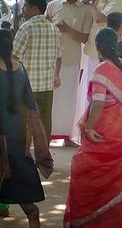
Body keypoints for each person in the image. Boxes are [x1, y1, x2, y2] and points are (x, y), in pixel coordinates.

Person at [64, 28, 122, 227]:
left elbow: (97, 102)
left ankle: (90, 220)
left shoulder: (102, 69)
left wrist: (88, 128)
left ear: (97, 47)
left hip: (101, 134)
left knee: (85, 173)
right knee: (117, 180)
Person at [0, 29, 53, 228]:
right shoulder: (20, 68)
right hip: (17, 135)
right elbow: (31, 107)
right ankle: (32, 215)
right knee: (18, 181)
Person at [73, 0, 122, 144]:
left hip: (103, 56)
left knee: (97, 95)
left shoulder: (117, 2)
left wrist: (90, 2)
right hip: (92, 53)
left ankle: (94, 129)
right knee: (87, 93)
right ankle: (83, 132)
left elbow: (98, 17)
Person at [45, 0, 92, 145]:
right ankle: (48, 134)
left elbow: (85, 37)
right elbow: (44, 26)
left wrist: (68, 30)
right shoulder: (53, 5)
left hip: (71, 59)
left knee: (69, 100)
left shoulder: (85, 10)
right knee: (52, 99)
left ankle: (66, 136)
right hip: (51, 59)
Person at [12, 0, 62, 141]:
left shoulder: (26, 28)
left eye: (25, 6)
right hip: (47, 84)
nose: (23, 9)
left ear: (35, 9)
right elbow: (59, 56)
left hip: (27, 84)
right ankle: (44, 157)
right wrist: (56, 75)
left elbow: (14, 56)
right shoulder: (53, 29)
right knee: (44, 121)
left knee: (25, 122)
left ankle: (25, 155)